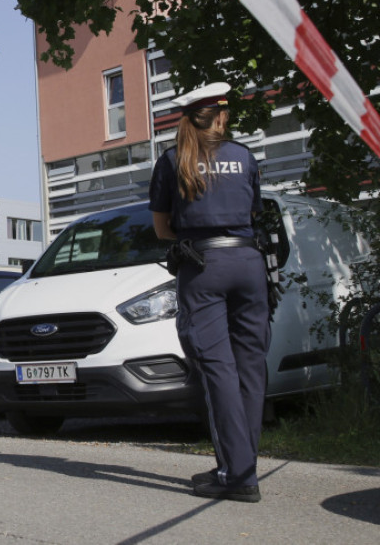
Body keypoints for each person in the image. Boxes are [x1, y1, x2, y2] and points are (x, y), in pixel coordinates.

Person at [148, 82, 269, 504]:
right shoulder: (244, 156)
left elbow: (162, 228)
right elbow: (253, 212)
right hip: (249, 264)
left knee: (218, 369)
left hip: (203, 268)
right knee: (250, 366)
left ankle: (237, 474)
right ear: (219, 116)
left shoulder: (171, 160)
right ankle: (242, 466)